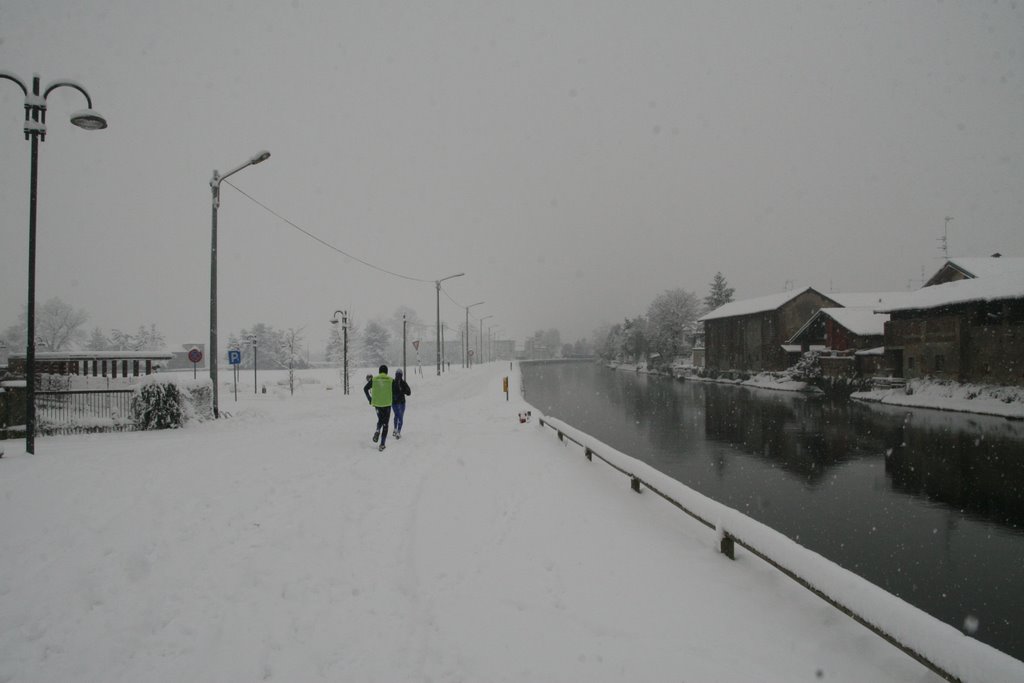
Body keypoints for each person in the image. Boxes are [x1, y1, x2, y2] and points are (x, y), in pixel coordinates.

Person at [363, 365, 393, 452]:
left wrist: (370, 399)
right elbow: (396, 391)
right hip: (387, 404)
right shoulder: (390, 380)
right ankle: (382, 444)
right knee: (385, 423)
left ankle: (377, 430)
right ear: (386, 371)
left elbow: (365, 388)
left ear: (379, 371)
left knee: (380, 419)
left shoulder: (374, 379)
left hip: (377, 404)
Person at [391, 369, 412, 438]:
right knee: (400, 417)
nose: (398, 376)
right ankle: (398, 431)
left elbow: (409, 392)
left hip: (394, 402)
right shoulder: (402, 383)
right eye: (398, 375)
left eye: (398, 375)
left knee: (396, 416)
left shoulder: (393, 382)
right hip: (400, 402)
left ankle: (395, 430)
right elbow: (409, 392)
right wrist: (403, 391)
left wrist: (402, 391)